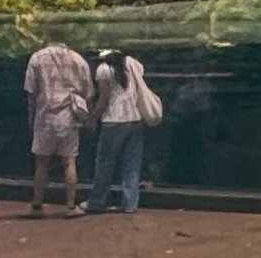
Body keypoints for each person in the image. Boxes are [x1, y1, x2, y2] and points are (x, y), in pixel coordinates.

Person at [22, 26, 93, 217]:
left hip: (44, 117)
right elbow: (88, 92)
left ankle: (37, 205)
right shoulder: (78, 59)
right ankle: (70, 206)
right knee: (69, 161)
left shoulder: (37, 58)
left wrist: (31, 118)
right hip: (69, 117)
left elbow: (30, 92)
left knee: (42, 163)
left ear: (47, 36)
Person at [88, 49, 160, 214]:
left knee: (105, 162)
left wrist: (93, 116)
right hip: (134, 118)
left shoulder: (103, 69)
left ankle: (98, 201)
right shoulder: (133, 64)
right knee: (132, 163)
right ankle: (130, 203)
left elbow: (104, 99)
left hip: (113, 120)